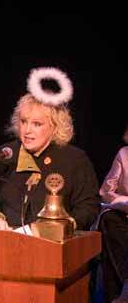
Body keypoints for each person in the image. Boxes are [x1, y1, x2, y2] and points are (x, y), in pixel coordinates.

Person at [0, 67, 100, 232]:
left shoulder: (74, 159)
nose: (27, 131)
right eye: (24, 121)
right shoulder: (7, 153)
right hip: (5, 242)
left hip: (54, 245)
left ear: (55, 126)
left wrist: (62, 227)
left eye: (37, 124)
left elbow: (88, 207)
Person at [98, 125, 128, 303]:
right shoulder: (124, 154)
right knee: (108, 219)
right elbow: (106, 191)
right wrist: (123, 202)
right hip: (124, 215)